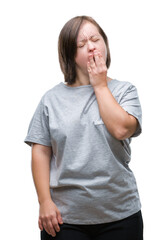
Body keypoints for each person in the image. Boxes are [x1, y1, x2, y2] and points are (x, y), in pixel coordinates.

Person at [24, 15, 144, 240]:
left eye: (95, 39)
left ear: (105, 44)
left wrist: (99, 83)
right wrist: (44, 201)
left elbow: (121, 129)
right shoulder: (51, 99)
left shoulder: (125, 91)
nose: (91, 47)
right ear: (70, 54)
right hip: (64, 218)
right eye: (81, 44)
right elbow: (40, 151)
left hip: (121, 215)